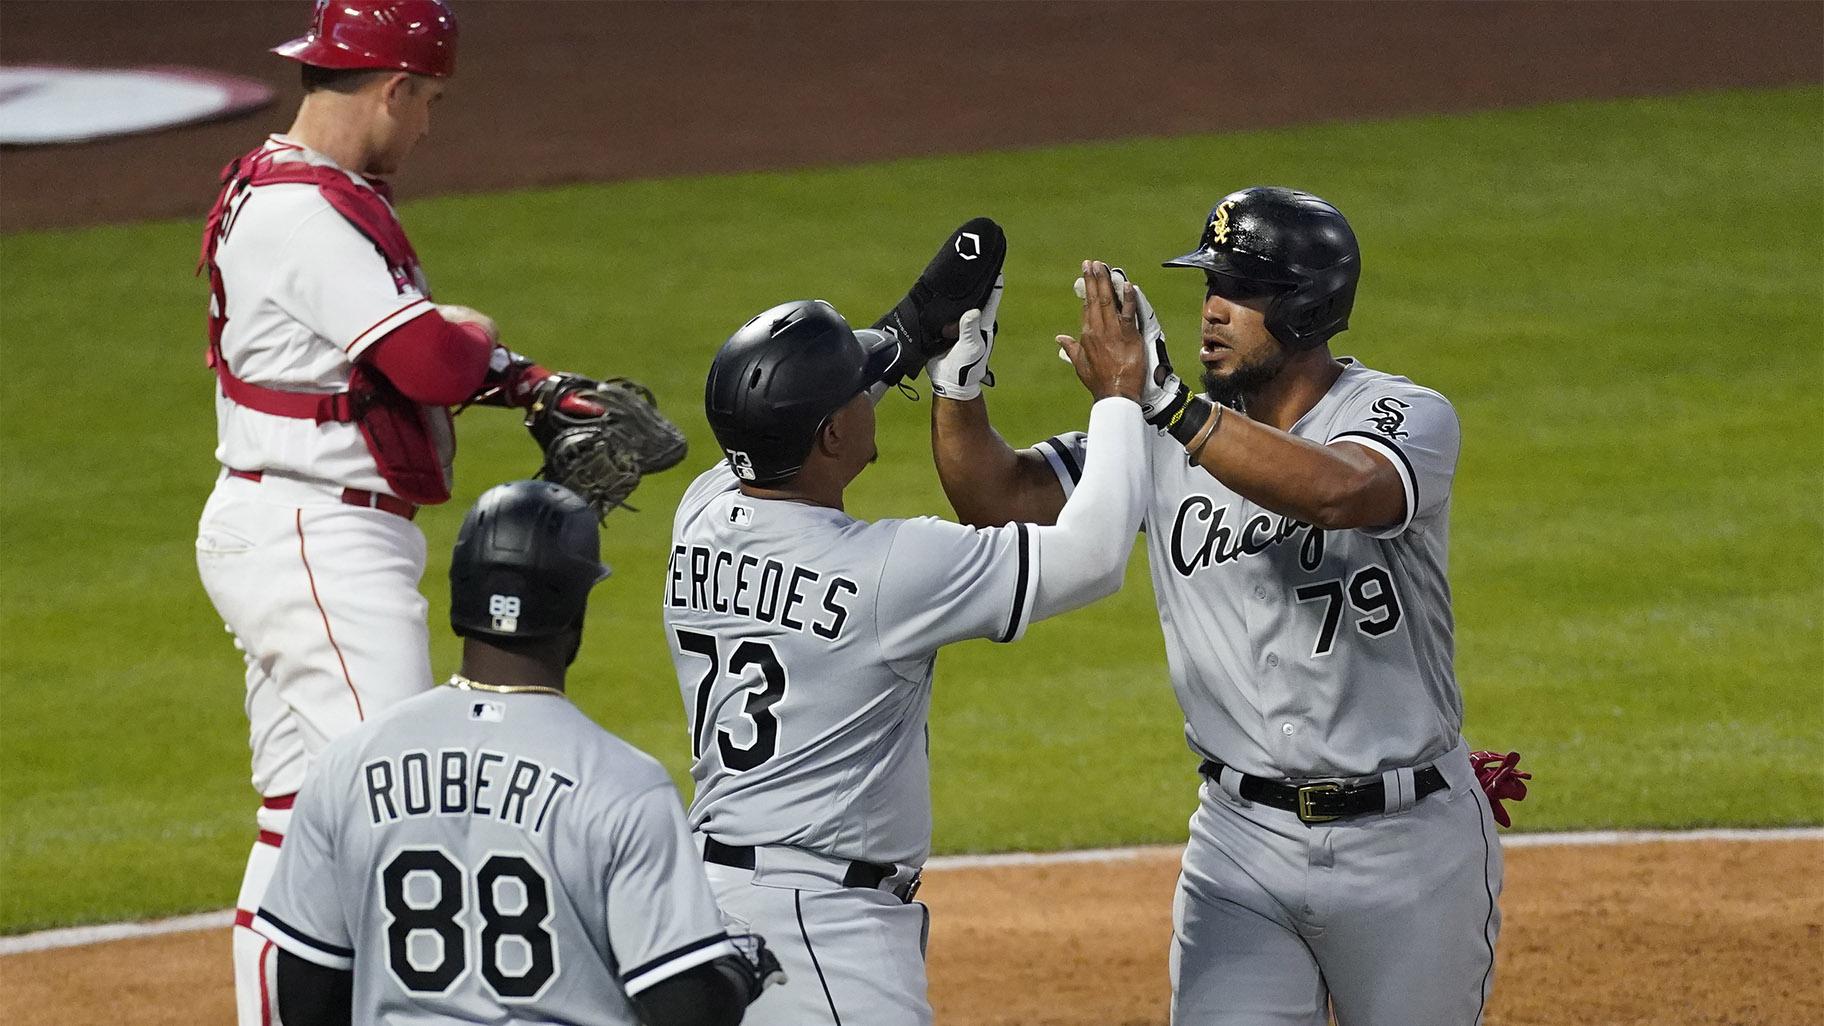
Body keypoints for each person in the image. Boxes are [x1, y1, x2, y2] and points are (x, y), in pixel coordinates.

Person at [928, 187, 1508, 1025]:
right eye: (1209, 287)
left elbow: (1343, 490)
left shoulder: (1403, 414)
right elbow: (1001, 497)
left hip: (1407, 848)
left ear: (1309, 307)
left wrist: (1166, 404)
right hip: (1241, 847)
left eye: (1239, 291)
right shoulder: (1168, 436)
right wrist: (959, 378)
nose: (1210, 310)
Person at [193, 4, 584, 1021]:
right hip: (314, 535)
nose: (428, 128)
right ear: (393, 88)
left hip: (298, 527)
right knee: (416, 795)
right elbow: (421, 356)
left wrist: (531, 381)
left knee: (301, 810)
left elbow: (402, 350)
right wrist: (476, 335)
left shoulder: (305, 191)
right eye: (429, 104)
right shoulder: (302, 212)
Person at [662, 277, 1149, 1026]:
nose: (868, 393)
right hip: (822, 935)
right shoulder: (888, 571)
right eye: (856, 389)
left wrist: (907, 335)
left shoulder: (701, 514)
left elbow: (775, 431)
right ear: (830, 436)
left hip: (705, 910)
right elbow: (1092, 555)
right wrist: (1120, 393)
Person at [250, 480, 782, 1026]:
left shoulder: (349, 765)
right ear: (575, 615)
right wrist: (733, 972)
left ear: (460, 598)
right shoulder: (622, 783)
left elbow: (305, 991)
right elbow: (685, 1010)